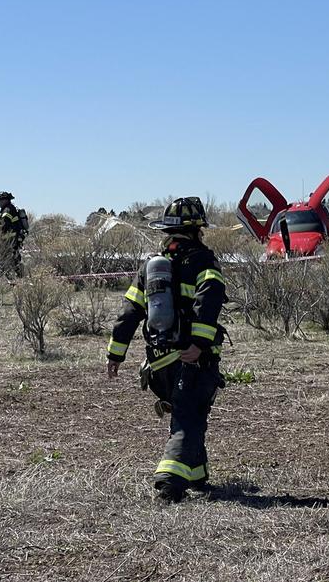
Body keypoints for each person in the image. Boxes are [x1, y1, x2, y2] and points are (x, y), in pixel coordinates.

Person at [105, 197, 228, 503]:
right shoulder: (203, 261)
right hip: (191, 359)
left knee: (188, 413)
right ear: (198, 228)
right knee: (189, 416)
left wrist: (115, 352)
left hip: (159, 363)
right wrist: (199, 344)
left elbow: (130, 310)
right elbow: (209, 300)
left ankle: (197, 476)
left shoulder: (151, 266)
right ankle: (169, 483)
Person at [0, 191, 27, 277]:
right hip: (12, 238)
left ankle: (17, 275)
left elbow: (4, 223)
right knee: (12, 257)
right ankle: (14, 275)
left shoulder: (8, 209)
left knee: (11, 257)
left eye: (0, 201)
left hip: (11, 238)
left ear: (5, 200)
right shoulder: (9, 208)